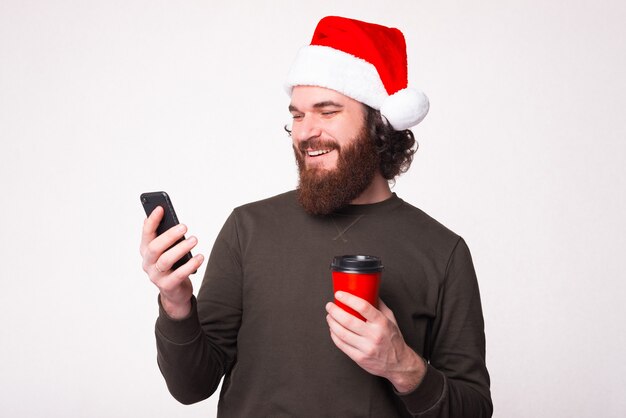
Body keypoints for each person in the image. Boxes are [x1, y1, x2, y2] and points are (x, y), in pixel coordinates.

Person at [140, 16, 492, 418]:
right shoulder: (248, 229)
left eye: (327, 112)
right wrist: (177, 302)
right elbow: (191, 387)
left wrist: (404, 367)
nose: (306, 132)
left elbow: (474, 410)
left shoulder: (442, 251)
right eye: (298, 115)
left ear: (379, 123)